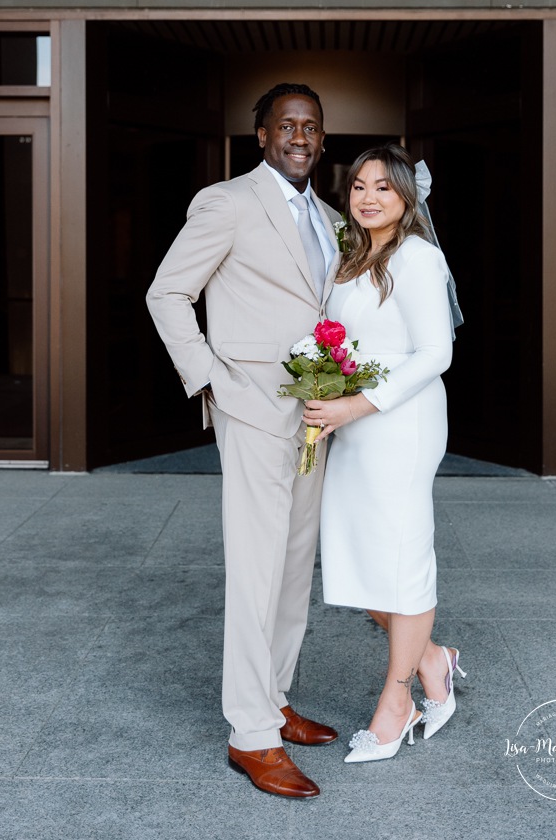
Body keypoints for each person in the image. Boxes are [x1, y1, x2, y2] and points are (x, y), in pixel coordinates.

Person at [146, 83, 341, 799]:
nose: (299, 135)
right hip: (253, 408)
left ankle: (275, 699)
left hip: (313, 413)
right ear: (260, 135)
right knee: (258, 570)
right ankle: (249, 736)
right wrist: (208, 380)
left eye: (311, 126)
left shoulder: (327, 216)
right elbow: (166, 292)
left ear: (322, 139)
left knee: (293, 568)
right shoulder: (226, 202)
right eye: (285, 124)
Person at [303, 145, 466, 764]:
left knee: (401, 555)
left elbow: (435, 354)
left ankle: (398, 700)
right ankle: (431, 658)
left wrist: (354, 405)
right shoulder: (351, 257)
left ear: (407, 199)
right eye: (360, 187)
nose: (368, 198)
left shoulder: (419, 258)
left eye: (384, 189)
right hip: (355, 424)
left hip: (401, 423)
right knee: (356, 552)